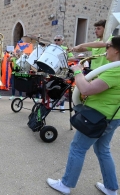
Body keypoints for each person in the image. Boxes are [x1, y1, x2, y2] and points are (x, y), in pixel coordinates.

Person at [47, 36, 120, 195]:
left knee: (77, 148)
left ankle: (65, 184)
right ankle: (111, 188)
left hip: (98, 117)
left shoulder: (115, 71)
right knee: (103, 150)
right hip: (112, 117)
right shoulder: (114, 69)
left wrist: (78, 71)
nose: (105, 49)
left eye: (108, 46)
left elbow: (86, 89)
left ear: (116, 50)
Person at [53, 35, 76, 112]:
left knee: (62, 88)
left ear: (62, 41)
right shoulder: (52, 48)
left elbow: (73, 58)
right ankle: (52, 105)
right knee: (53, 87)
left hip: (63, 71)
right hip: (55, 70)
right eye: (55, 40)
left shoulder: (65, 49)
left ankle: (62, 106)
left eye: (58, 40)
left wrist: (64, 58)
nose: (56, 41)